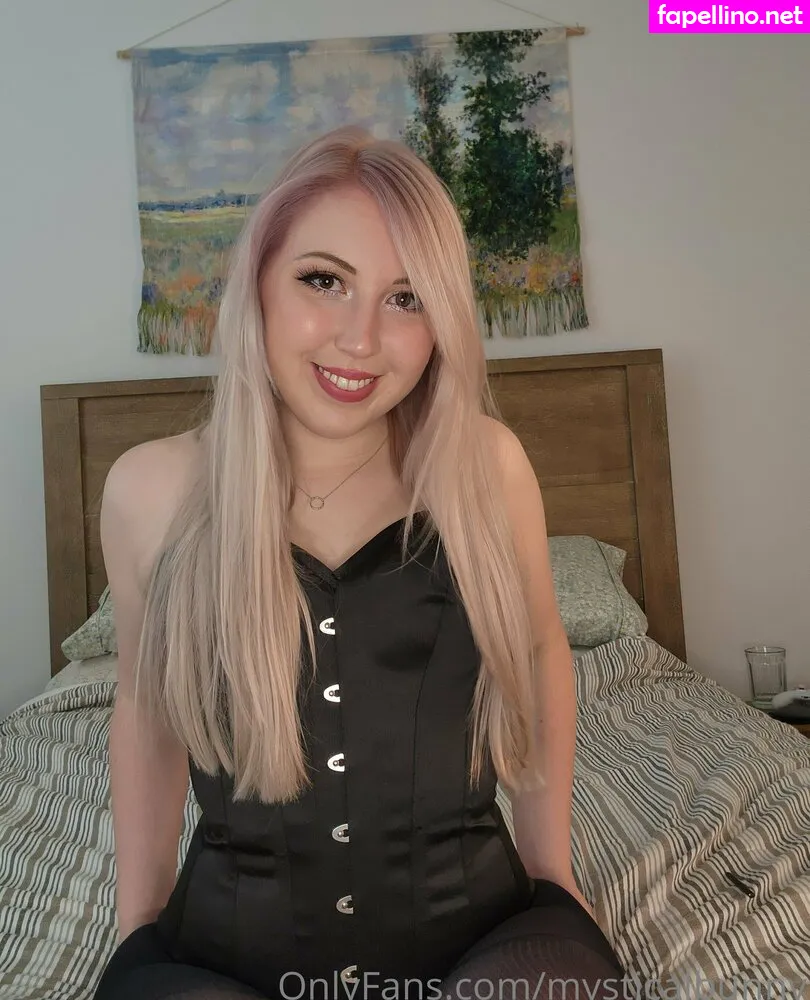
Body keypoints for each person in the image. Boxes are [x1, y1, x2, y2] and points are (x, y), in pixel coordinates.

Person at [93, 125, 627, 1000]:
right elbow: (146, 710)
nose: (361, 339)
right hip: (226, 956)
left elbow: (538, 651)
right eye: (323, 280)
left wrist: (553, 875)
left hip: (482, 938)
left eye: (407, 297)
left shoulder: (485, 465)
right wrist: (137, 926)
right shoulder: (149, 490)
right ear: (258, 284)